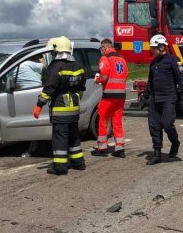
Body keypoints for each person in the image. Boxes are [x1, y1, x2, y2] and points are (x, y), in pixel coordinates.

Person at [33, 37, 87, 175]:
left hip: (60, 108)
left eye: (53, 51)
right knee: (73, 136)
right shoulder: (78, 65)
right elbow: (82, 87)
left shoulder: (56, 66)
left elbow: (49, 88)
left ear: (57, 50)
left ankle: (60, 166)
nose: (52, 54)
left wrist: (39, 104)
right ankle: (78, 163)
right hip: (74, 108)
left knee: (60, 138)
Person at [142, 34, 183, 165]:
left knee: (167, 124)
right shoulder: (153, 63)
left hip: (169, 98)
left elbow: (181, 79)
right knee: (154, 126)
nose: (151, 50)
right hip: (155, 99)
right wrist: (145, 97)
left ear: (162, 47)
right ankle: (157, 153)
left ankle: (175, 142)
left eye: (153, 48)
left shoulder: (173, 60)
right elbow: (150, 82)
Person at [91, 38, 128, 158]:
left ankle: (102, 147)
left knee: (102, 119)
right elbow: (125, 75)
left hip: (109, 95)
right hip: (121, 95)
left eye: (102, 48)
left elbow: (104, 76)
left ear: (105, 48)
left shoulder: (105, 58)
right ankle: (120, 147)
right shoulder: (122, 59)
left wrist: (97, 79)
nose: (101, 51)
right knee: (117, 121)